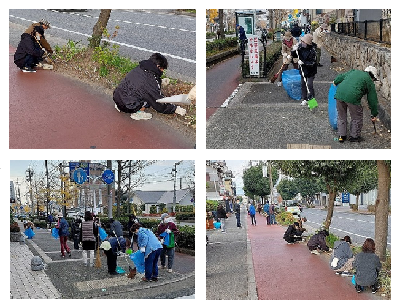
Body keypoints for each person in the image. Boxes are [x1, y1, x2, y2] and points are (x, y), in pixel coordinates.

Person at [113, 53, 187, 120]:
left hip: (118, 96)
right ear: (158, 66)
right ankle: (137, 113)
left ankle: (120, 105)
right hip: (127, 106)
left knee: (136, 89)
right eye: (162, 69)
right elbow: (159, 102)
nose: (162, 71)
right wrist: (175, 109)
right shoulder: (151, 81)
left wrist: (160, 82)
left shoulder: (140, 68)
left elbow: (141, 82)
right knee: (149, 100)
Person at [333, 66, 379, 143]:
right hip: (352, 97)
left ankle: (342, 136)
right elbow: (372, 99)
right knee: (357, 117)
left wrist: (335, 81)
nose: (373, 81)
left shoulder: (353, 71)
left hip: (339, 94)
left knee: (341, 116)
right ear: (372, 77)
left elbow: (340, 77)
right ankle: (354, 137)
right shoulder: (369, 80)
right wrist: (374, 114)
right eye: (374, 79)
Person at [292, 33, 318, 106]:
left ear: (307, 43)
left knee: (309, 85)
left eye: (303, 42)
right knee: (303, 84)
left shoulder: (313, 50)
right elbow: (294, 55)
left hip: (311, 70)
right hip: (303, 70)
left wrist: (304, 62)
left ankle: (312, 101)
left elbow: (312, 62)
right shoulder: (300, 47)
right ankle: (304, 99)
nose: (302, 43)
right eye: (302, 41)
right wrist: (294, 50)